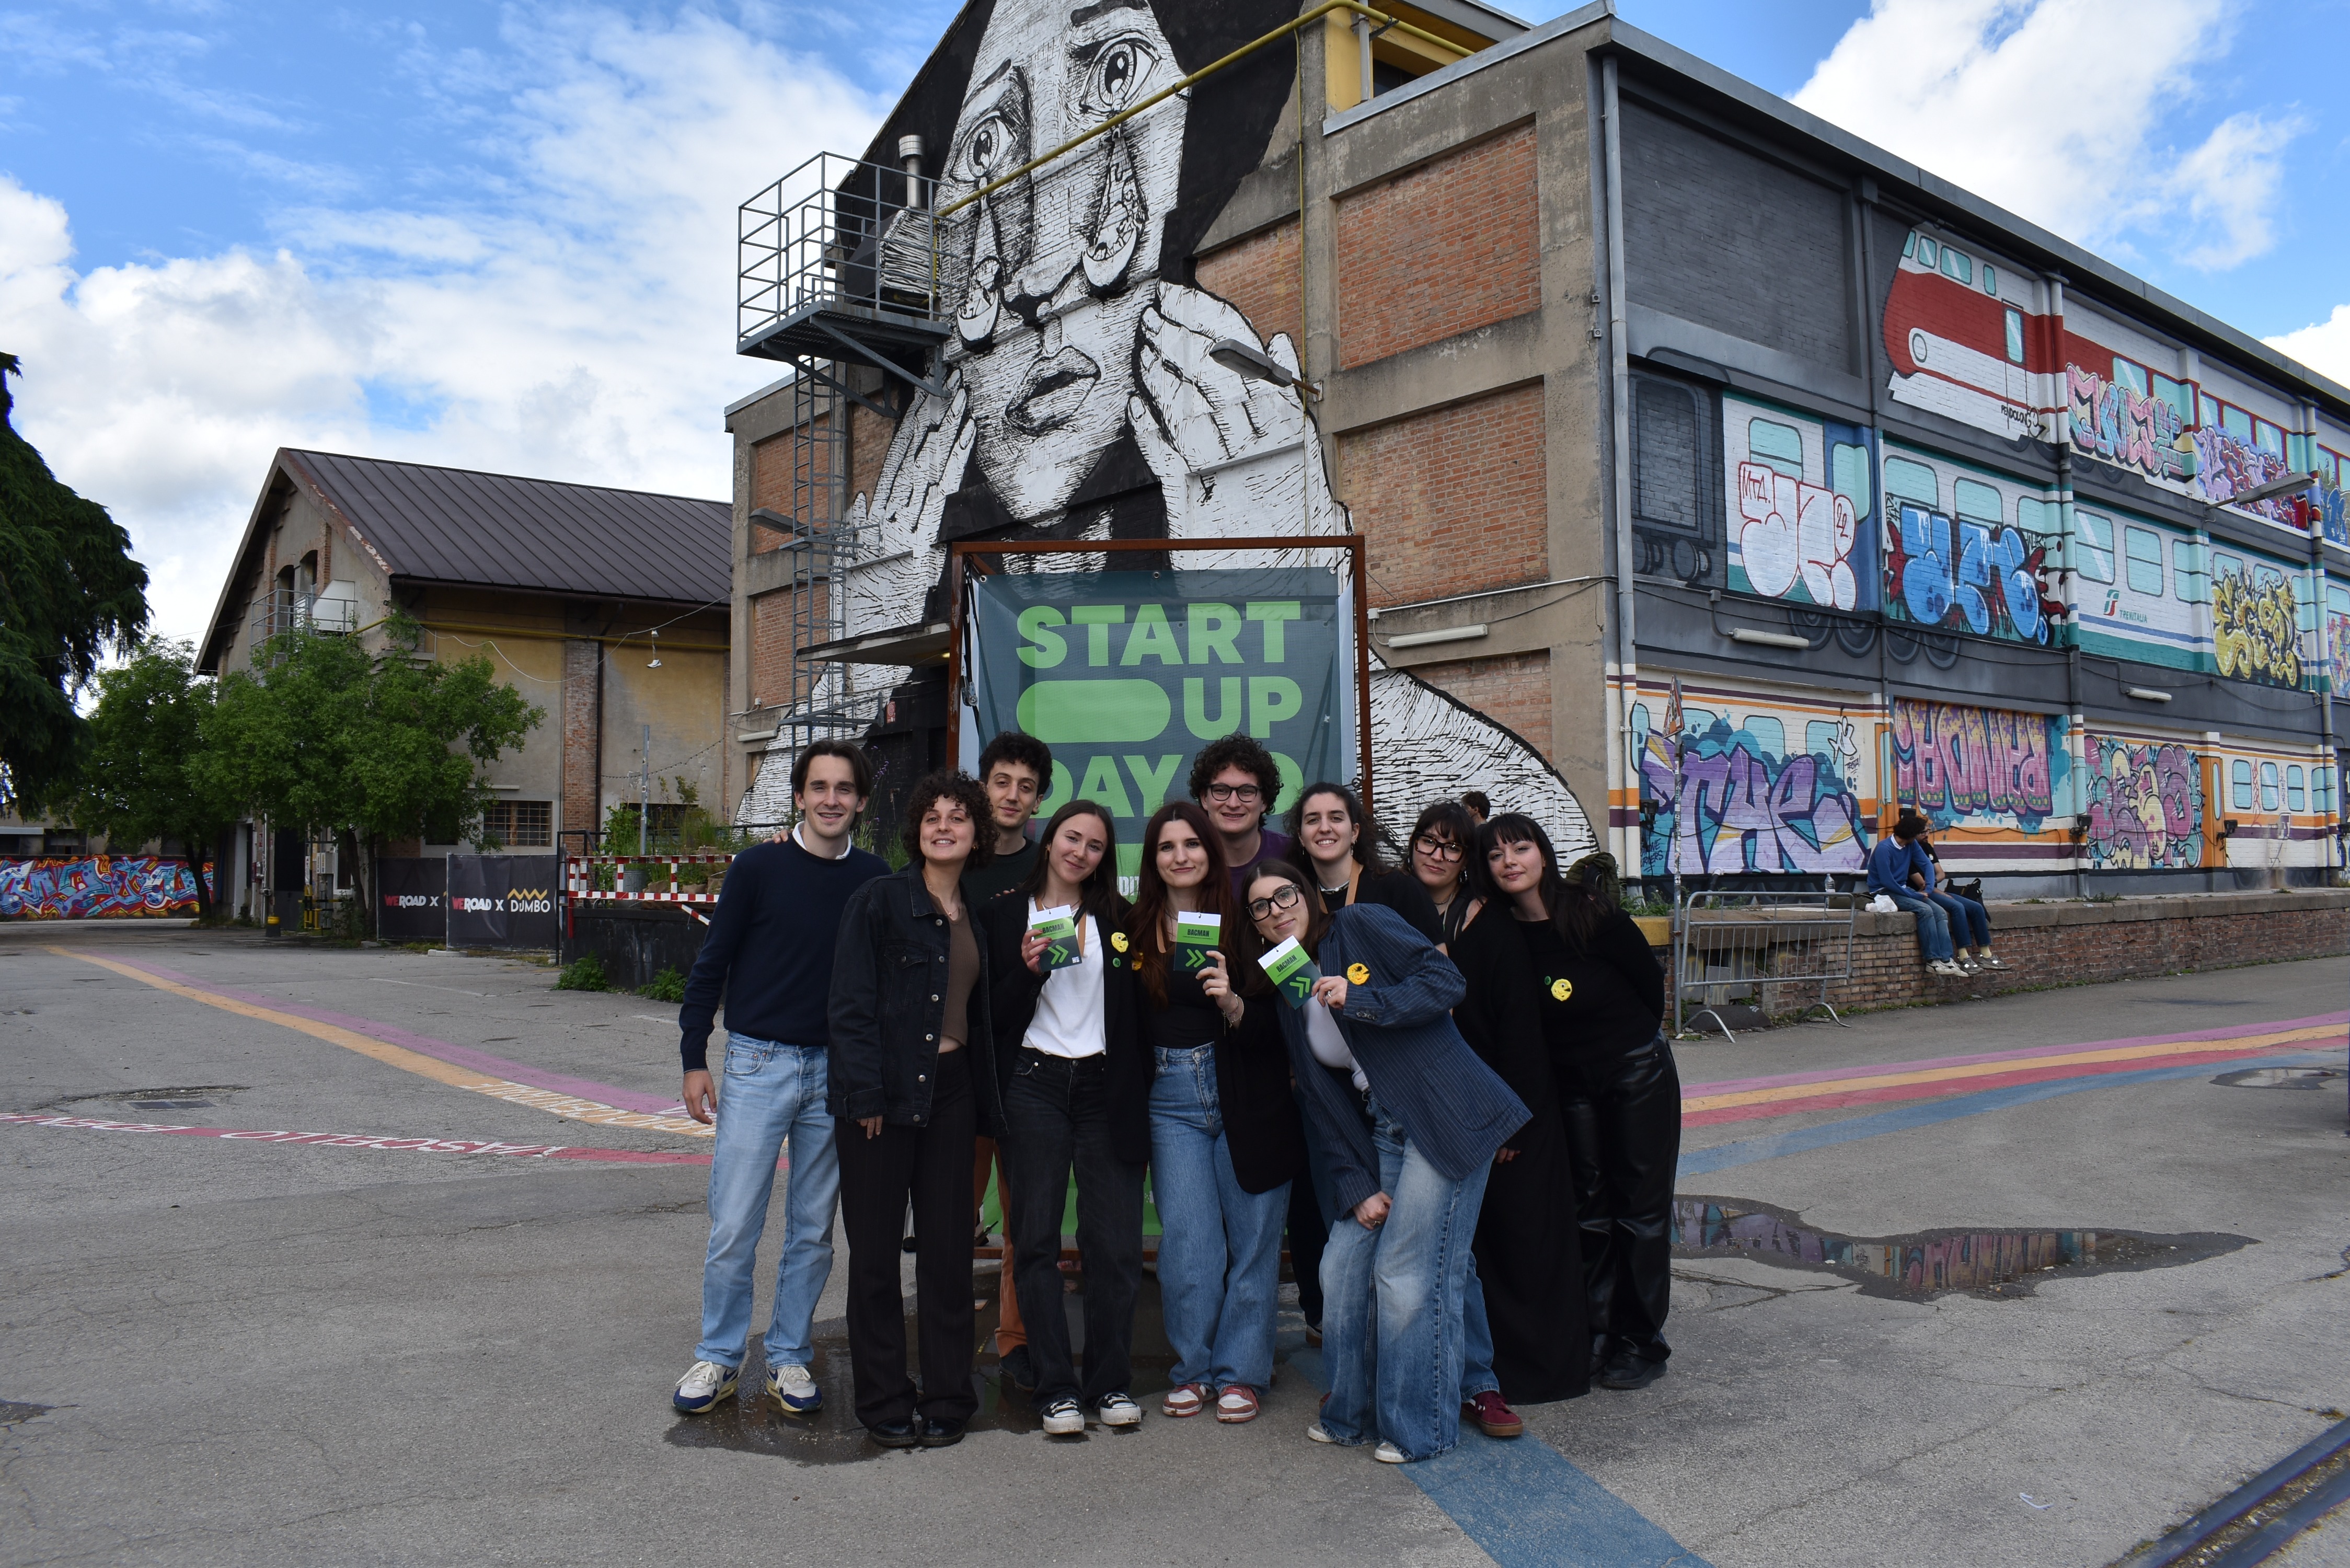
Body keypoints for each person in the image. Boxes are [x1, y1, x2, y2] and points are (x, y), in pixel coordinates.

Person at [1243, 860, 1529, 1463]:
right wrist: (1356, 1184)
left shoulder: (1360, 923)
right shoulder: (1288, 983)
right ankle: (1349, 1416)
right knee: (1340, 1268)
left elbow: (1444, 983)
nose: (1275, 911)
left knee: (1407, 1274)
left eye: (1284, 895)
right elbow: (1320, 1099)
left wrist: (1361, 999)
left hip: (1445, 1110)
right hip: (1387, 1129)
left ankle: (1418, 1429)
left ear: (1308, 896)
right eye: (1260, 906)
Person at [672, 741, 889, 1417]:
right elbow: (712, 964)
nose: (831, 799)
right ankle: (719, 1356)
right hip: (757, 1064)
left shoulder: (875, 879)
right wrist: (693, 1057)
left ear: (860, 801)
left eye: (844, 788)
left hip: (836, 1073)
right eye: (818, 787)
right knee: (734, 1224)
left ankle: (789, 1355)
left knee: (813, 1231)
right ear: (798, 797)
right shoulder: (757, 867)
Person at [827, 771, 1005, 1448]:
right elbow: (849, 1004)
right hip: (882, 1095)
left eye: (957, 817)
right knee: (875, 1259)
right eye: (932, 816)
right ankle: (883, 1401)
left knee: (947, 1253)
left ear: (976, 834)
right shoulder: (879, 900)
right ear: (916, 831)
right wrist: (865, 1093)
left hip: (953, 1093)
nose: (943, 826)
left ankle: (949, 1397)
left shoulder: (974, 917)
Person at [1481, 821, 1676, 1392]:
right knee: (1588, 1210)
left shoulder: (1587, 909)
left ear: (1543, 855)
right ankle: (1596, 1332)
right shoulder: (1500, 931)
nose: (1510, 861)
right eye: (1495, 854)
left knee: (1639, 1211)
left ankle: (1641, 1341)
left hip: (1634, 1070)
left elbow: (1648, 985)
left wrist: (1623, 1045)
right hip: (1568, 1083)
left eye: (1520, 848)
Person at [1131, 800, 1304, 1424]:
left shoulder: (1249, 918)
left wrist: (1234, 1003)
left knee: (1254, 1243)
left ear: (1210, 851)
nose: (1180, 856)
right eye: (1166, 846)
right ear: (1152, 860)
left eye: (1191, 844)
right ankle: (1193, 1371)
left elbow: (1296, 1014)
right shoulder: (1132, 926)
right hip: (1168, 1100)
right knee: (1187, 1244)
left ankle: (1242, 1374)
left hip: (1248, 1092)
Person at [979, 800, 1148, 1436]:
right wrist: (1026, 974)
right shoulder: (1003, 914)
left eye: (1095, 845)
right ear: (1048, 841)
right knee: (1035, 1241)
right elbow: (990, 1018)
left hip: (1104, 1088)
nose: (1080, 852)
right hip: (1033, 1083)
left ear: (1104, 858)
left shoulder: (1122, 919)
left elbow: (1140, 1016)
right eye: (1071, 838)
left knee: (1114, 1246)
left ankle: (1110, 1383)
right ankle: (1055, 1388)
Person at [1443, 868, 1587, 1408]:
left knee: (1524, 1243)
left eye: (1450, 845)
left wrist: (1510, 1119)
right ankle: (1484, 1370)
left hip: (1511, 1112)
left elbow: (1520, 1027)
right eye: (1426, 843)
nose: (1436, 855)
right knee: (1482, 1251)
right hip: (1456, 1111)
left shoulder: (1491, 921)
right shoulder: (1415, 913)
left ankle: (1537, 1372)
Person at [962, 729, 1054, 1385]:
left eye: (1026, 787)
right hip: (958, 1066)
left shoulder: (1051, 868)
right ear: (983, 785)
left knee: (1025, 1218)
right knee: (950, 1215)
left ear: (1039, 798)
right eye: (1002, 782)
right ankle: (943, 1336)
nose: (1013, 795)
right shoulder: (951, 858)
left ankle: (1016, 1340)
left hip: (1029, 1066)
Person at [1285, 782, 1443, 943]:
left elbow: (1438, 958)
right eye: (1313, 820)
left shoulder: (1399, 888)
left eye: (1336, 818)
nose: (1324, 828)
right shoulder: (1298, 901)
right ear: (1301, 837)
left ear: (1354, 832)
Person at [1189, 734, 1291, 903]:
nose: (1233, 803)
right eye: (1221, 791)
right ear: (1204, 799)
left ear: (1264, 801)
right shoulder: (1185, 862)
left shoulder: (1293, 855)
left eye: (1246, 791)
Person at [1868, 814, 1966, 978]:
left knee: (1940, 912)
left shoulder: (1911, 844)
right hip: (1884, 892)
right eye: (1920, 832)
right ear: (1911, 834)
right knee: (1925, 910)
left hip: (1902, 889)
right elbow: (1887, 881)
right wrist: (1913, 894)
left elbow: (1926, 864)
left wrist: (1929, 887)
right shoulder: (1884, 848)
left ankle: (1947, 959)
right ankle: (1933, 961)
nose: (1924, 835)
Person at [1916, 829, 2004, 973]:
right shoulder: (1911, 851)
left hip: (1934, 889)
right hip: (1923, 893)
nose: (1927, 834)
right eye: (1923, 832)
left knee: (1976, 907)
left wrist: (1933, 882)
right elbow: (1921, 884)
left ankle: (1986, 955)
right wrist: (1935, 888)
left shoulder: (1927, 848)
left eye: (1928, 831)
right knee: (1957, 907)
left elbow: (1941, 873)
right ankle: (1964, 957)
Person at [1406, 800, 1479, 941]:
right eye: (1429, 841)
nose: (1437, 856)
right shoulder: (1388, 898)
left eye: (1453, 848)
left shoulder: (1479, 915)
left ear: (1466, 861)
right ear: (1413, 843)